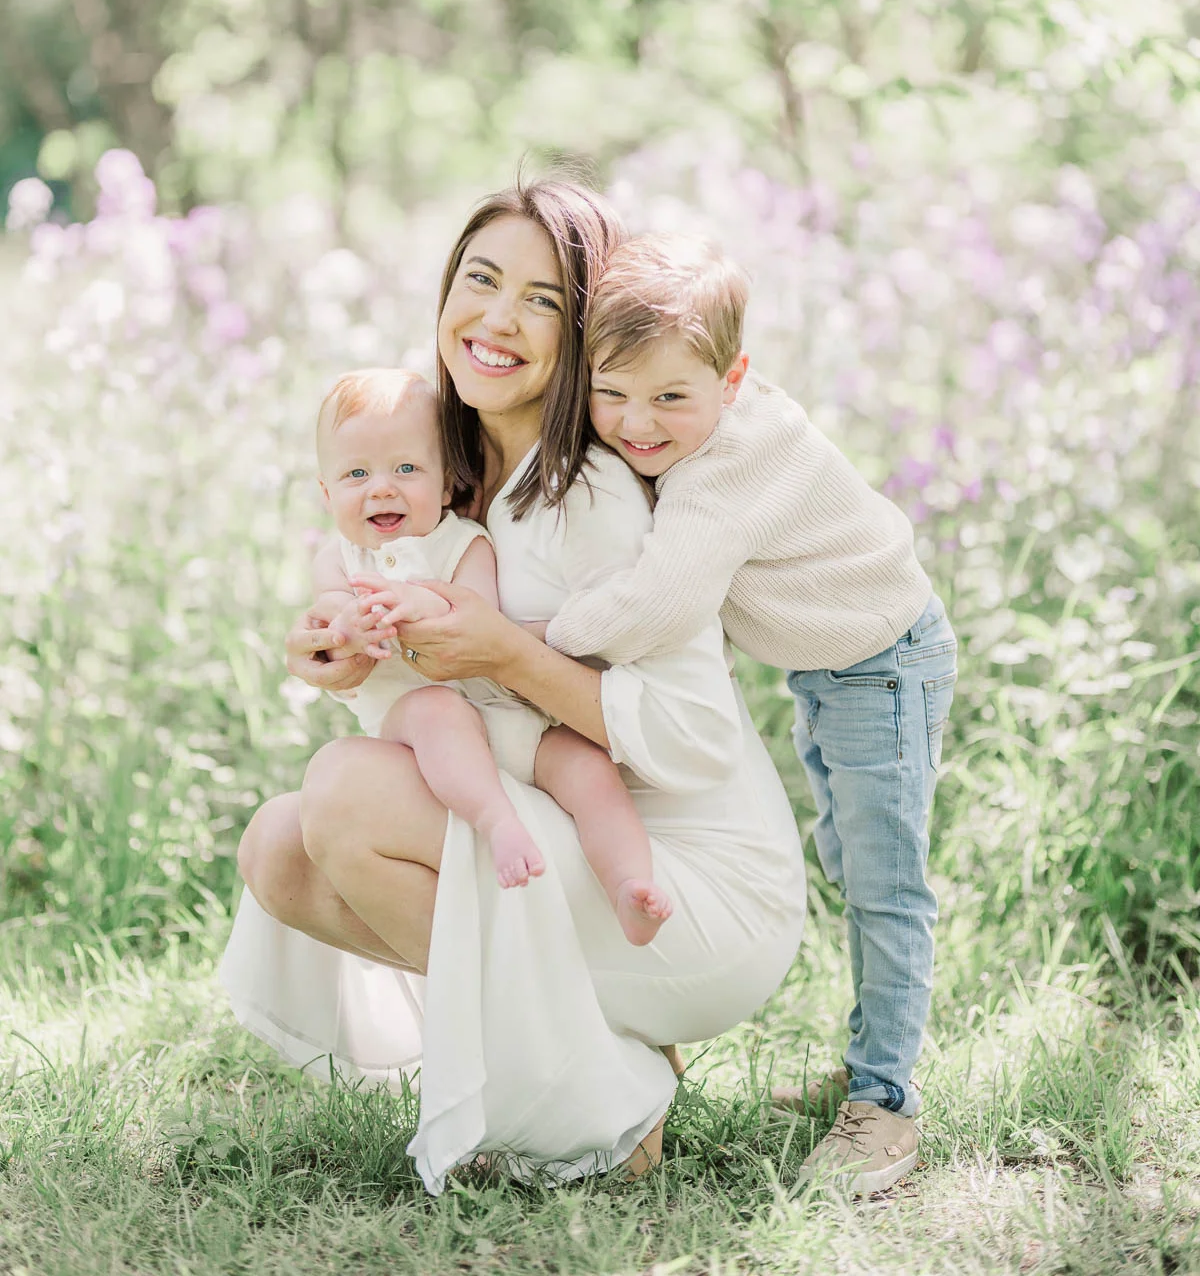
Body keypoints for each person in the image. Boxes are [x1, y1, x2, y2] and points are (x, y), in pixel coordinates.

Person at [219, 177, 807, 1193]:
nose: (498, 317)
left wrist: (501, 651)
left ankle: (601, 1104)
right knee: (279, 850)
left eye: (540, 299)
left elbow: (694, 734)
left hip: (683, 879)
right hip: (565, 831)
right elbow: (400, 638)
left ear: (580, 334)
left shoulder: (592, 494)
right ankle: (610, 1064)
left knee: (346, 794)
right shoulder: (432, 464)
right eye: (481, 279)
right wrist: (340, 652)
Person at [544, 233, 958, 1196]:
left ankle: (886, 1104)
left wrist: (538, 640)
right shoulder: (711, 426)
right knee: (847, 861)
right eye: (611, 394)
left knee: (885, 881)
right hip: (834, 670)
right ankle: (869, 1060)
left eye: (670, 399)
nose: (636, 424)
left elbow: (658, 606)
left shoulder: (729, 466)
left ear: (732, 378)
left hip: (884, 664)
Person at [310, 364, 674, 938]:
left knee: (588, 768)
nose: (382, 488)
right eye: (356, 474)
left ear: (448, 482)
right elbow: (329, 620)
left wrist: (416, 603)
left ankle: (631, 885)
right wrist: (347, 631)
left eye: (407, 469)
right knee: (439, 710)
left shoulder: (463, 541)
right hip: (417, 734)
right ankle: (496, 822)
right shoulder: (339, 559)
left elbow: (473, 615)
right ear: (327, 493)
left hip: (507, 720)